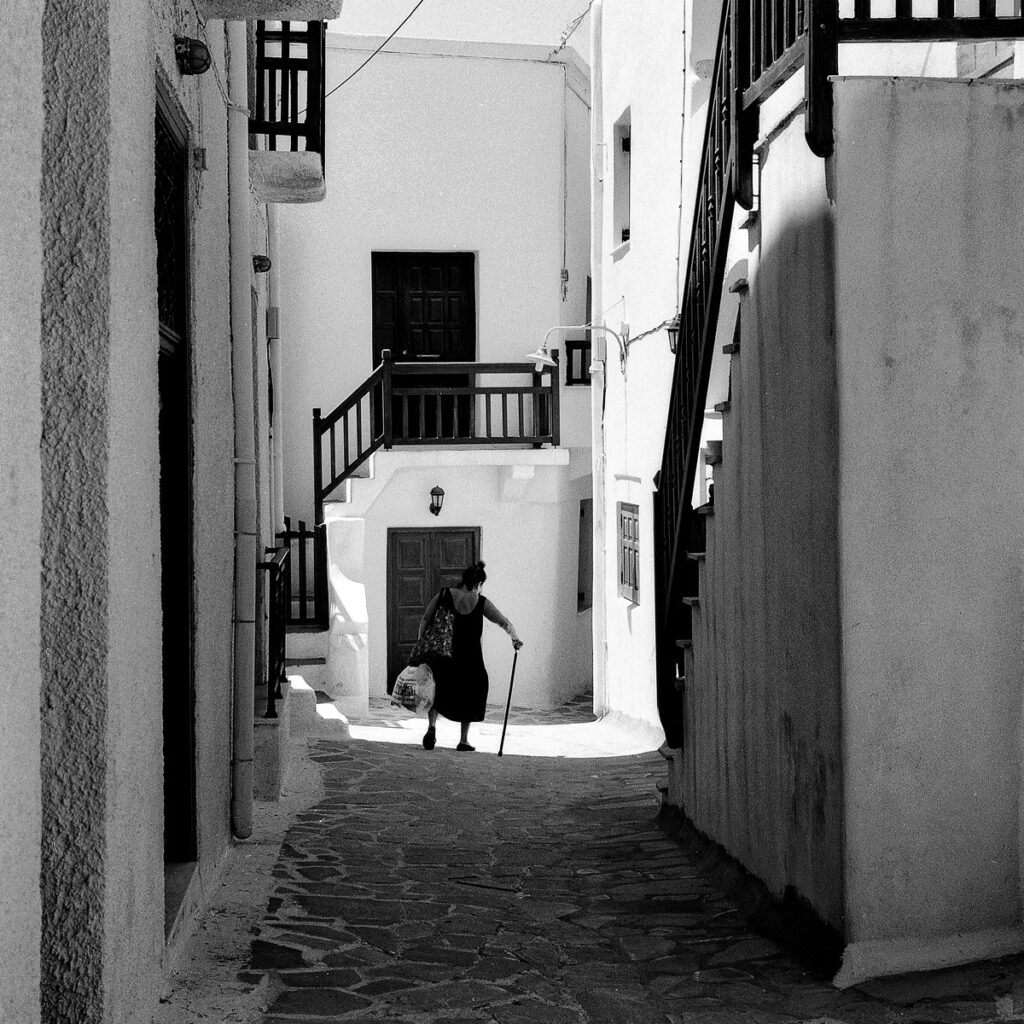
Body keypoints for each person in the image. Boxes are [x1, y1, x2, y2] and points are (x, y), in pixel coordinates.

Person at [419, 560, 522, 752]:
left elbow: (426, 617)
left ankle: (432, 727)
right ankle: (463, 740)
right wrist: (515, 639)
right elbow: (503, 622)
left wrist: (422, 644)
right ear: (479, 584)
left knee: (438, 688)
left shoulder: (444, 594)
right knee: (473, 690)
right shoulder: (481, 602)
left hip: (444, 654)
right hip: (471, 658)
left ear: (464, 580)